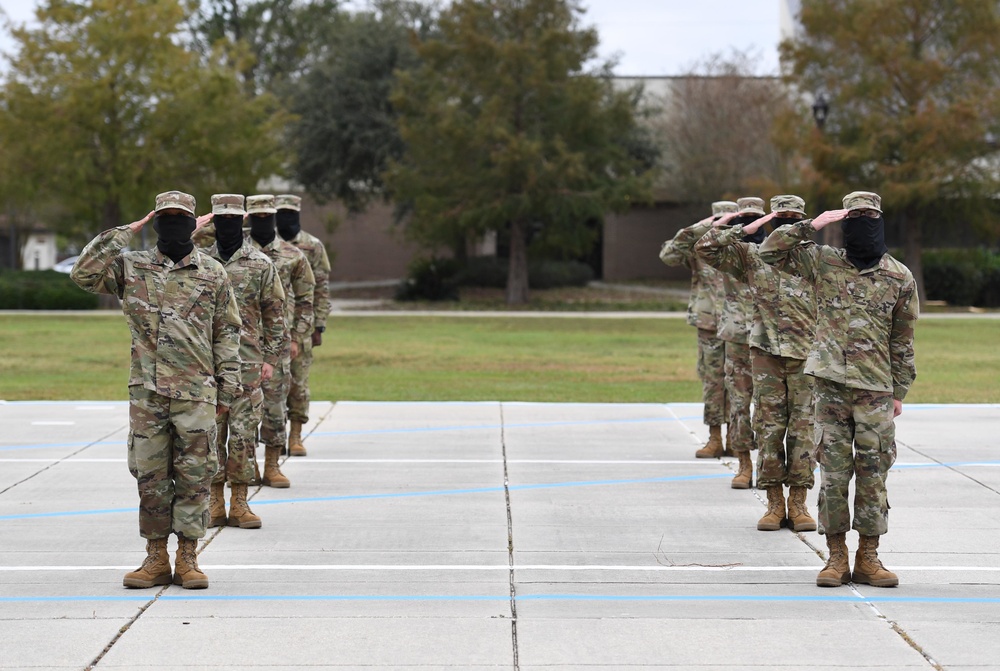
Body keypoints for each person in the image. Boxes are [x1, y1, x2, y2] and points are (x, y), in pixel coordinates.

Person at [71, 191, 241, 590]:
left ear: (192, 221)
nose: (171, 224)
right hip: (147, 394)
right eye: (163, 218)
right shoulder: (132, 267)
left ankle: (188, 557)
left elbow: (228, 333)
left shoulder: (212, 272)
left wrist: (227, 391)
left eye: (179, 217)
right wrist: (125, 232)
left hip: (196, 394)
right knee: (150, 476)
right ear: (155, 221)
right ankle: (155, 558)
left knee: (195, 476)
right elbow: (83, 274)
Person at [759, 191, 918, 588]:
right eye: (855, 216)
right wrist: (812, 225)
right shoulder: (823, 262)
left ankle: (868, 557)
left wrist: (899, 391)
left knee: (873, 475)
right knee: (832, 475)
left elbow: (903, 340)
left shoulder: (900, 276)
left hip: (876, 390)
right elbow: (769, 252)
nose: (863, 222)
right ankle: (835, 558)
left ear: (880, 220)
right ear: (844, 221)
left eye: (870, 215)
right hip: (829, 388)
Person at [695, 195, 818, 532]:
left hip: (806, 355)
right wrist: (744, 228)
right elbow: (704, 249)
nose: (788, 224)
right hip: (765, 354)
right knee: (769, 428)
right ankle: (774, 503)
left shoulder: (818, 259)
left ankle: (799, 503)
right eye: (781, 217)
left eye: (795, 218)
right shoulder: (752, 255)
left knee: (803, 430)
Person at [199, 194, 287, 529]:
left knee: (243, 435)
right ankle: (214, 501)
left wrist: (270, 358)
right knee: (210, 435)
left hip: (248, 362)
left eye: (235, 220)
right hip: (207, 364)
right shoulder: (201, 262)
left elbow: (275, 314)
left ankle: (240, 502)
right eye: (222, 220)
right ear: (214, 222)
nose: (228, 226)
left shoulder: (261, 264)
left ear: (243, 221)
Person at [246, 194, 315, 487]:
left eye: (267, 217)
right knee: (241, 411)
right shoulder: (228, 253)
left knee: (275, 406)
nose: (262, 222)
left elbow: (306, 298)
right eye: (256, 217)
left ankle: (272, 465)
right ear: (247, 219)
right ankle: (246, 467)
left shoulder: (293, 255)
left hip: (277, 342)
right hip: (240, 344)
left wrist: (298, 336)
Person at [658, 201, 735, 458]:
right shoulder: (698, 245)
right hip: (709, 323)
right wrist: (697, 229)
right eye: (719, 218)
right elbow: (668, 256)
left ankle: (737, 438)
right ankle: (715, 438)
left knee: (740, 384)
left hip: (739, 324)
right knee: (712, 382)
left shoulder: (746, 244)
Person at [700, 197, 763, 488]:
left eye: (755, 218)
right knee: (740, 404)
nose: (749, 223)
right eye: (744, 217)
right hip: (738, 338)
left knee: (771, 410)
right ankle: (744, 464)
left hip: (771, 342)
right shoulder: (729, 255)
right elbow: (703, 246)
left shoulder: (778, 251)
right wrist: (732, 227)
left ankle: (768, 466)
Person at [275, 194, 332, 457]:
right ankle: (271, 438)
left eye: (290, 213)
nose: (285, 218)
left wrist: (319, 325)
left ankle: (296, 435)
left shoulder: (312, 246)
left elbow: (321, 288)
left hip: (301, 325)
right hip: (269, 328)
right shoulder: (265, 244)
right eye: (280, 213)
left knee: (298, 384)